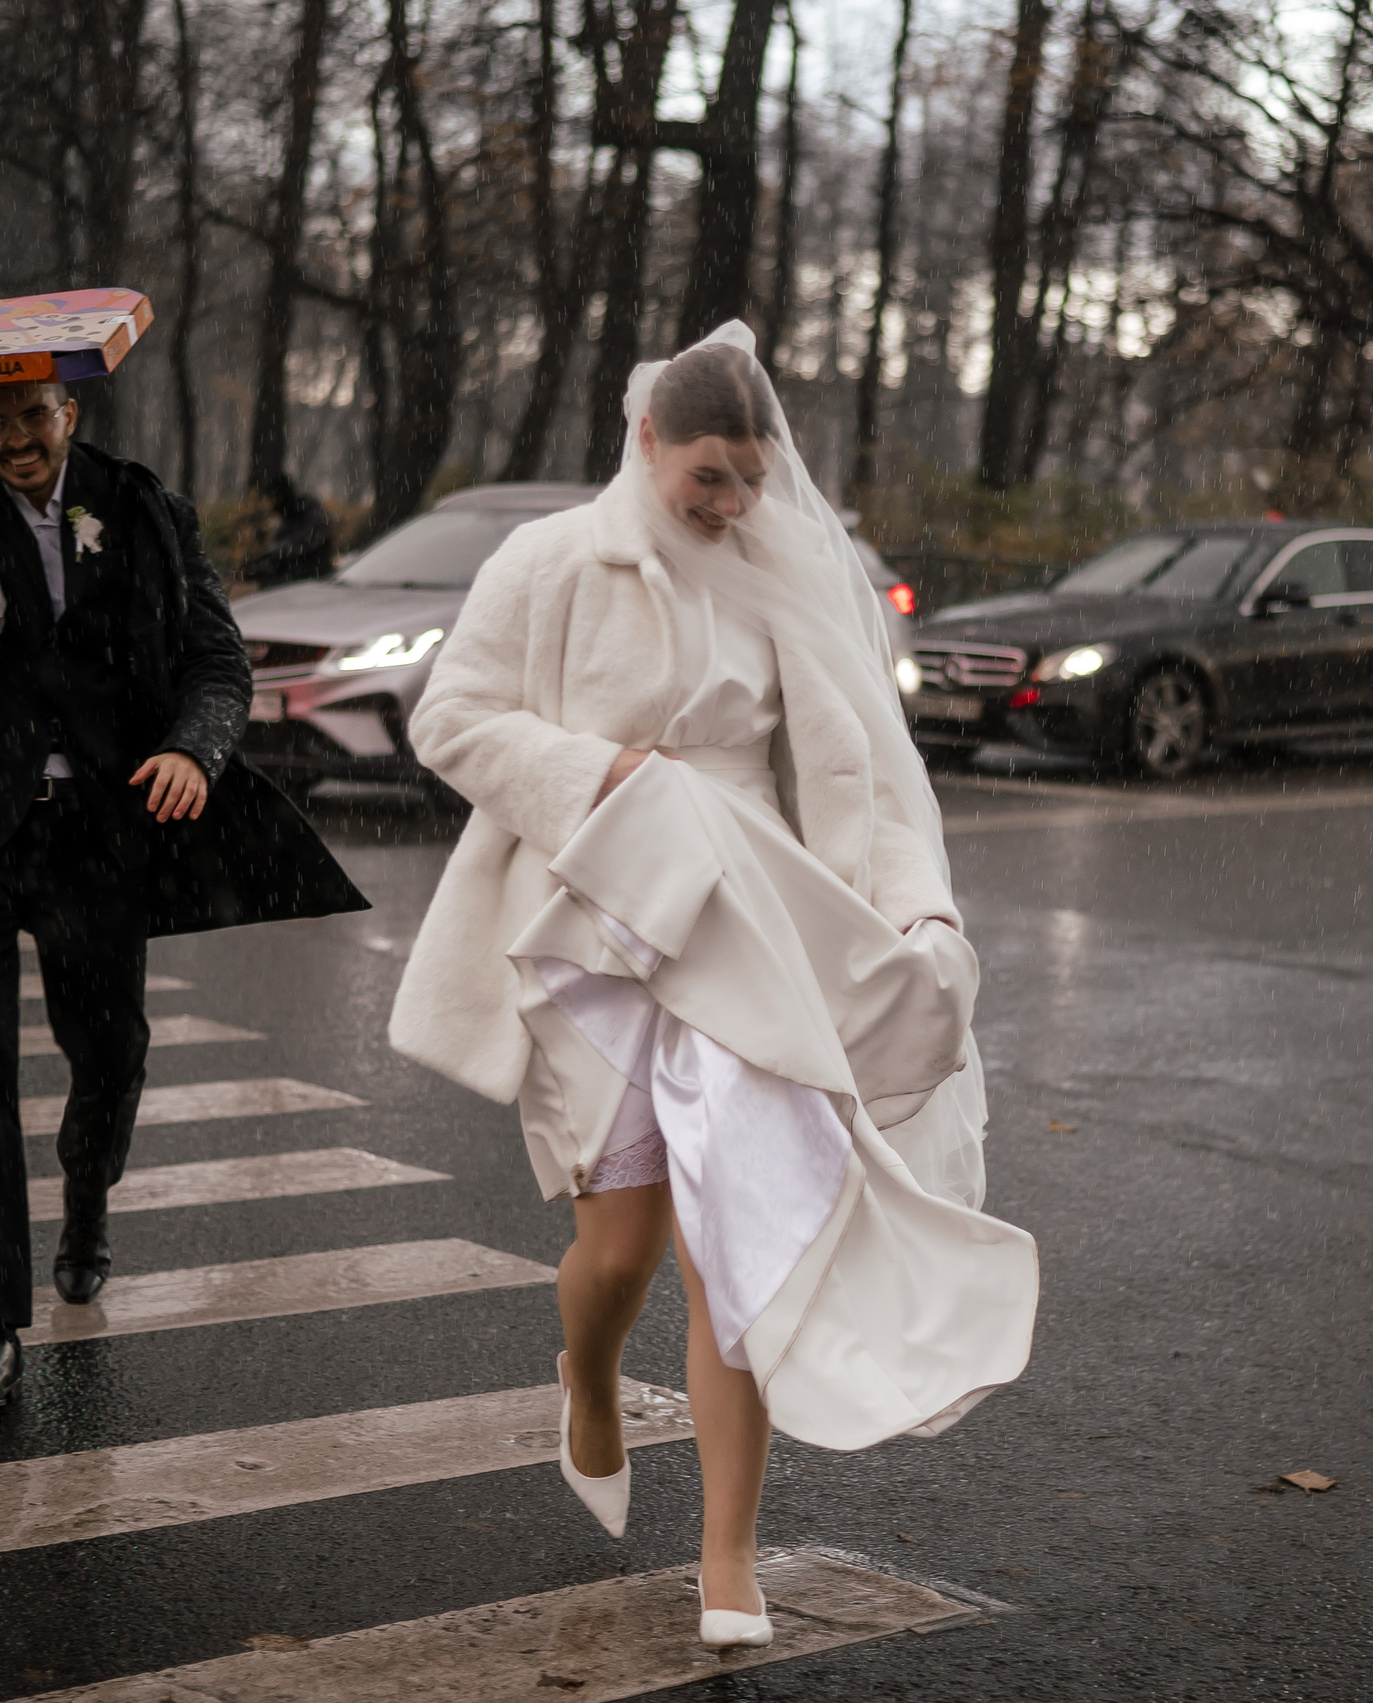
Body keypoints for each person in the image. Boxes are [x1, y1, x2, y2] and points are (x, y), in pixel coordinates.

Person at [390, 325, 1038, 1651]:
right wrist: (604, 775)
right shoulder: (549, 560)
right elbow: (449, 719)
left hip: (750, 929)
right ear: (647, 440)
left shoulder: (777, 577)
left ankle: (727, 1551)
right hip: (598, 923)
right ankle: (587, 1372)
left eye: (749, 477)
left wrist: (916, 903)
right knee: (617, 1250)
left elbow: (860, 776)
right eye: (708, 476)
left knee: (737, 1247)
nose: (732, 502)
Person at [0, 378, 368, 1409]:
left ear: (69, 411)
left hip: (95, 829)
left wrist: (194, 748)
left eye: (35, 415)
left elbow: (216, 657)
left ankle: (86, 1187)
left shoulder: (141, 507)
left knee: (109, 1050)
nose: (18, 438)